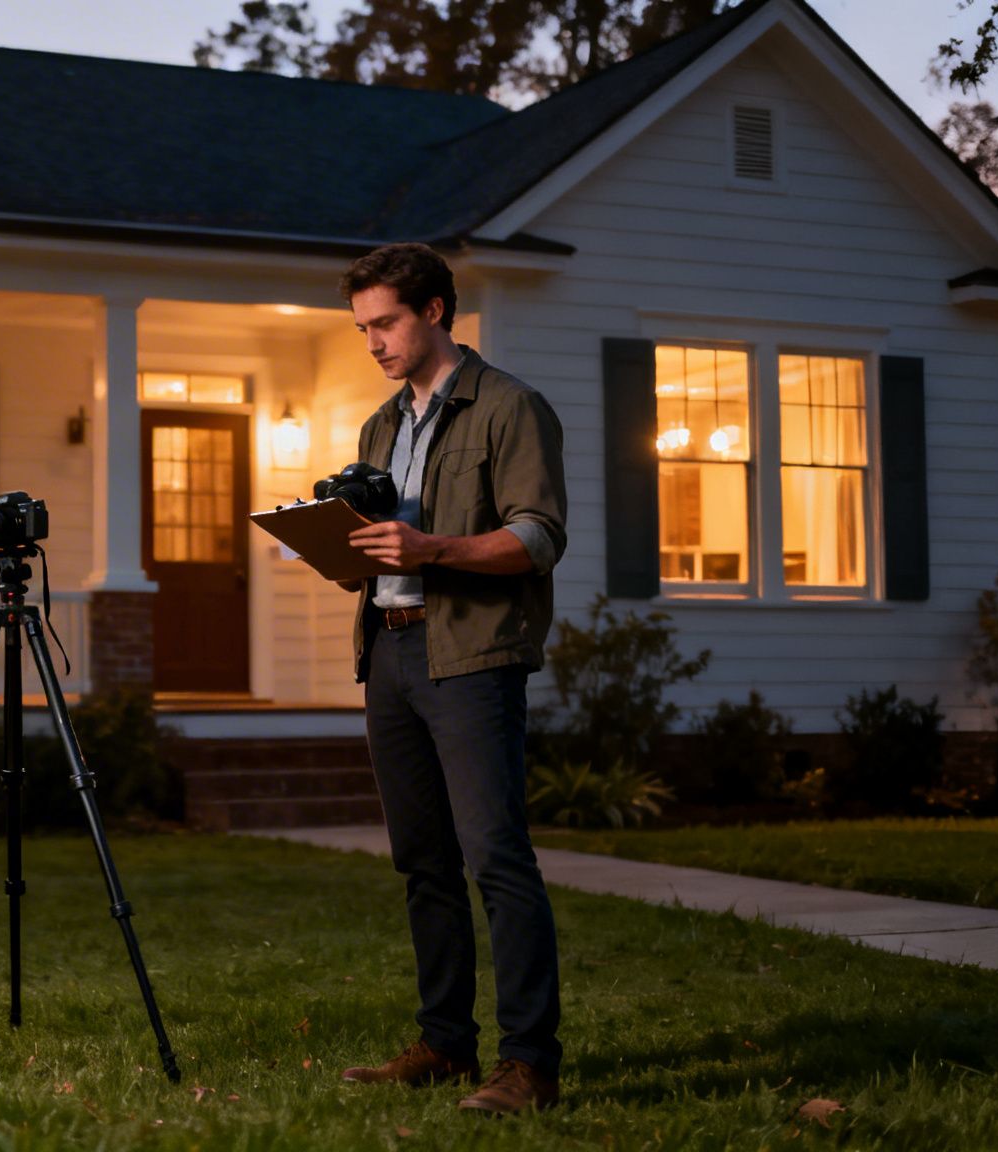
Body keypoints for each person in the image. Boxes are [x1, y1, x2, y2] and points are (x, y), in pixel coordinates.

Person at [332, 242, 568, 1115]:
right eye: (362, 328)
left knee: (496, 859)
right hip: (388, 651)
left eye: (385, 323)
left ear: (434, 310)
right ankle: (444, 1045)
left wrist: (432, 549)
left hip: (469, 653)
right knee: (422, 861)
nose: (374, 343)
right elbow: (380, 538)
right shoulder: (380, 426)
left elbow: (538, 536)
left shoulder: (511, 407)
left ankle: (530, 1064)